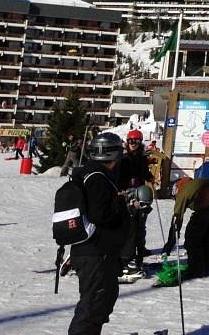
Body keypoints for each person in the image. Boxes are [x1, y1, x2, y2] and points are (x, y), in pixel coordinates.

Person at [67, 132, 131, 335]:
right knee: (93, 305)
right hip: (95, 252)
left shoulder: (92, 175)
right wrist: (122, 203)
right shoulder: (97, 178)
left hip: (96, 251)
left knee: (100, 302)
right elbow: (100, 214)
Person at [163, 177, 209, 280]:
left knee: (193, 237)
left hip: (206, 199)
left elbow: (177, 220)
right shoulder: (193, 183)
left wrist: (170, 244)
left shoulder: (182, 192)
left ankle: (196, 270)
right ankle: (205, 267)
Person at [117, 129, 153, 276]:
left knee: (141, 222)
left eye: (137, 141)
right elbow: (119, 175)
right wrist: (121, 190)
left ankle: (140, 249)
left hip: (141, 191)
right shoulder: (123, 158)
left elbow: (143, 172)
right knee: (130, 224)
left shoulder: (141, 157)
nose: (133, 144)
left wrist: (149, 176)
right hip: (127, 192)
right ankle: (127, 255)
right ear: (127, 141)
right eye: (131, 141)